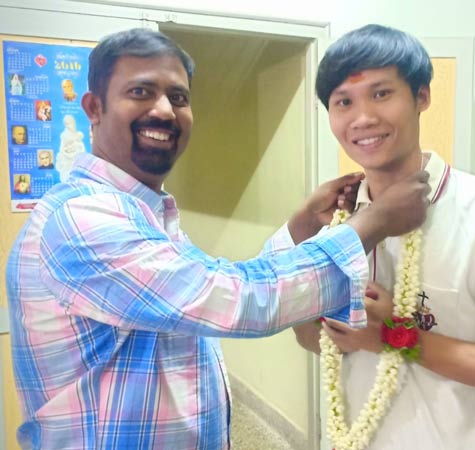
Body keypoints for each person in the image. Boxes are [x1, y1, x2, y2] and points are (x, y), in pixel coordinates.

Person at [5, 28, 431, 450]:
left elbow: (217, 286)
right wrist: (373, 223)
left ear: (421, 99)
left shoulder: (142, 211)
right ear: (94, 108)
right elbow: (239, 299)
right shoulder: (83, 219)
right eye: (140, 92)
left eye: (178, 97)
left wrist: (301, 226)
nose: (164, 111)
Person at [293, 24, 475, 450]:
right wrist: (307, 260)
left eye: (381, 93)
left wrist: (396, 335)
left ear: (422, 96)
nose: (363, 117)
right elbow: (310, 339)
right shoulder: (335, 219)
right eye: (344, 102)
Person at [56, 114, 86, 181]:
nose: (68, 126)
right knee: (67, 174)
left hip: (77, 158)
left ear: (73, 123)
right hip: (67, 159)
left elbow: (81, 148)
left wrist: (78, 149)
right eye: (66, 124)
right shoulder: (64, 135)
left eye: (69, 123)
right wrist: (67, 152)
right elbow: (62, 149)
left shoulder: (78, 134)